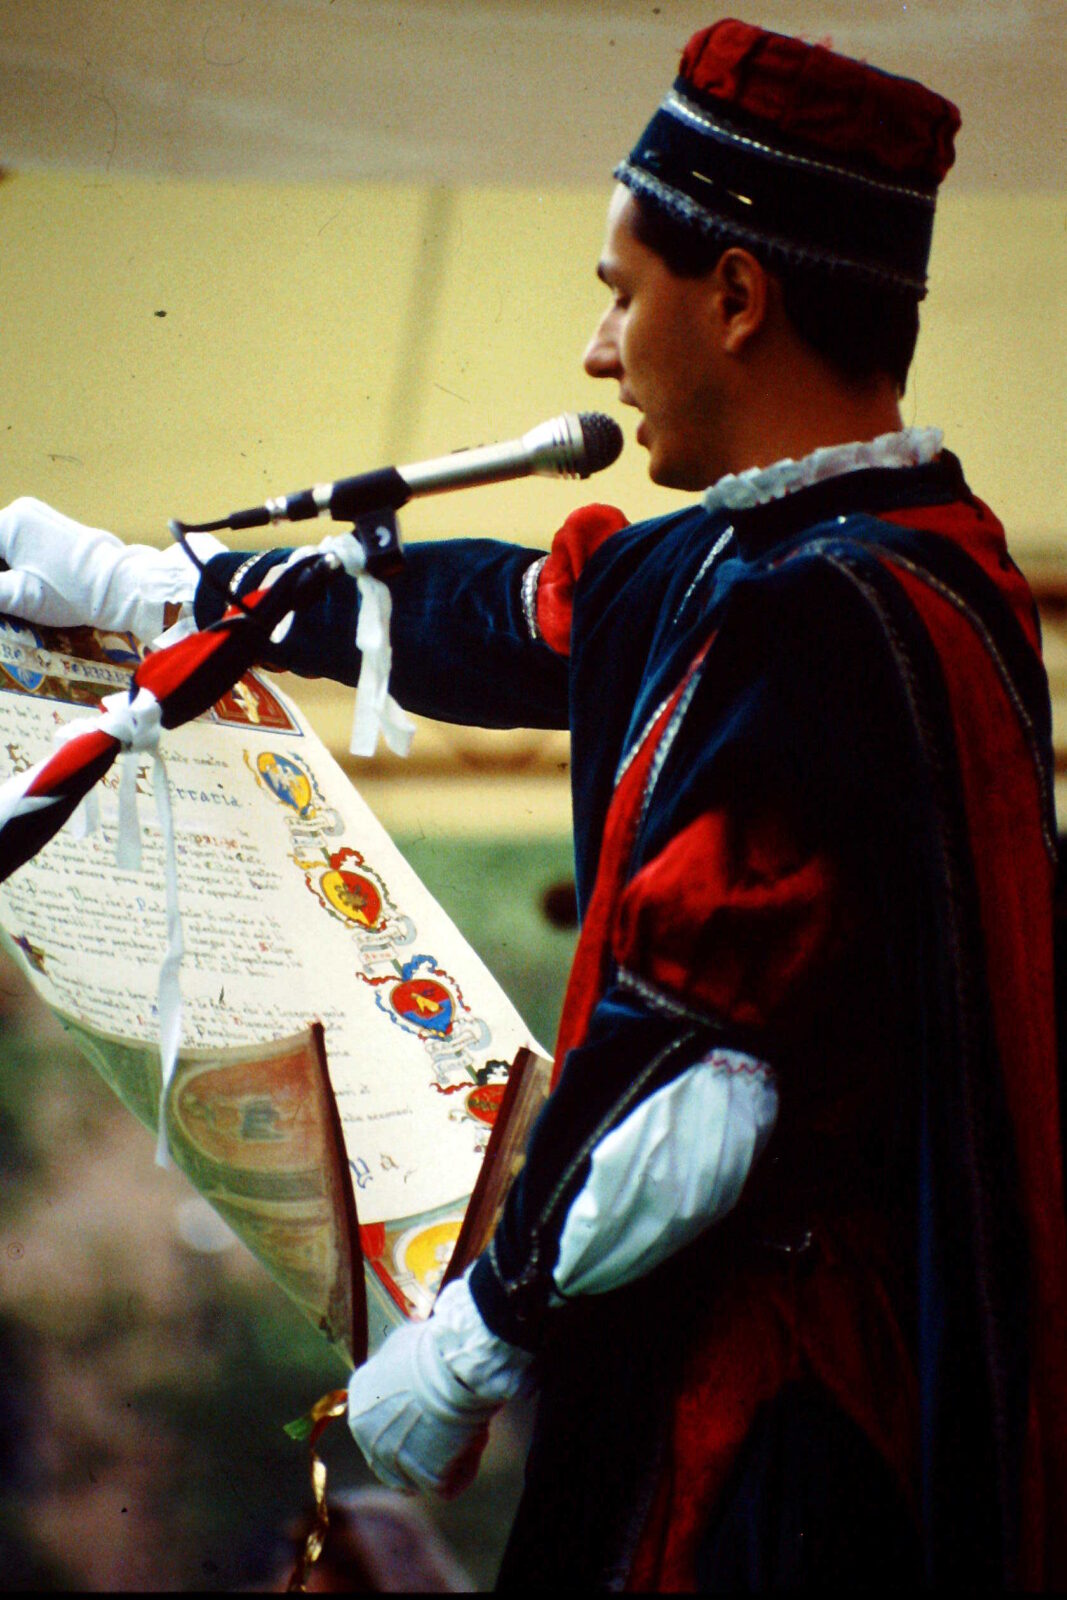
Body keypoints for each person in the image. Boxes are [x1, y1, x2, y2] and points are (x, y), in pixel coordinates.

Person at [2, 18, 1066, 1591]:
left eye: (618, 294)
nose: (595, 352)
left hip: (790, 1448)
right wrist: (152, 590)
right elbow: (512, 615)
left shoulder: (825, 619)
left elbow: (703, 1087)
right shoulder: (866, 563)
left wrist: (470, 1345)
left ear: (738, 297)